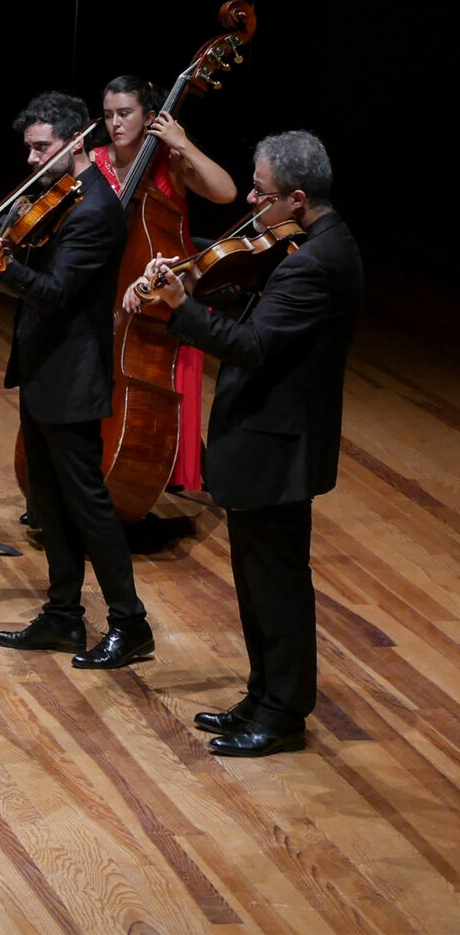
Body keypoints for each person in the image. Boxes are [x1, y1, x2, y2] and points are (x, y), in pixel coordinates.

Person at [153, 132, 360, 757]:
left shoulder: (315, 263)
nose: (249, 200)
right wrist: (208, 287)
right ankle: (263, 695)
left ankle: (283, 714)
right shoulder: (310, 245)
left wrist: (181, 308)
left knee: (278, 587)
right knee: (257, 582)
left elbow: (253, 346)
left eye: (261, 192)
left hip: (278, 448)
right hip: (272, 443)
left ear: (296, 199)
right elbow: (262, 311)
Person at [0, 91, 153, 670]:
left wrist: (4, 269)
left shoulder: (95, 210)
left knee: (88, 506)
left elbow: (55, 294)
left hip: (73, 378)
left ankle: (131, 624)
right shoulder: (61, 195)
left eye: (40, 148)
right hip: (45, 371)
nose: (30, 159)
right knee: (48, 503)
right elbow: (16, 238)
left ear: (76, 143)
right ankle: (64, 616)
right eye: (28, 148)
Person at [95, 73, 238, 493]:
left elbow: (226, 193)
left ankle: (161, 471)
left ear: (150, 117)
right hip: (110, 292)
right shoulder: (95, 161)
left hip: (165, 298)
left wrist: (183, 144)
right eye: (108, 115)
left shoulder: (169, 162)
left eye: (125, 113)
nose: (115, 124)